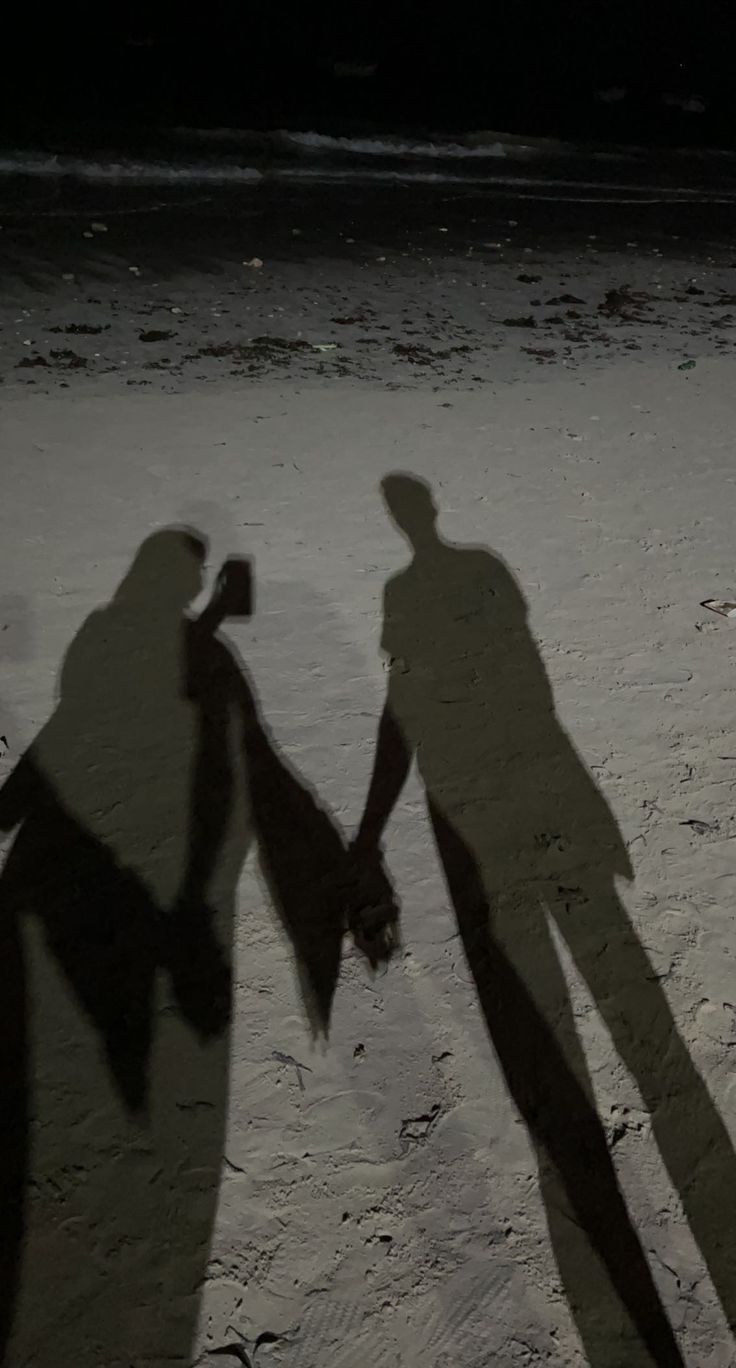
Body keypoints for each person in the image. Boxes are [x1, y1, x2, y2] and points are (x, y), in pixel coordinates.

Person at [351, 473, 736, 1367]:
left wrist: (371, 830)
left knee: (559, 1042)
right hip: (547, 797)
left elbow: (404, 704)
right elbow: (529, 686)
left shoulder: (407, 592)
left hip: (479, 818)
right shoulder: (479, 572)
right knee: (646, 1036)